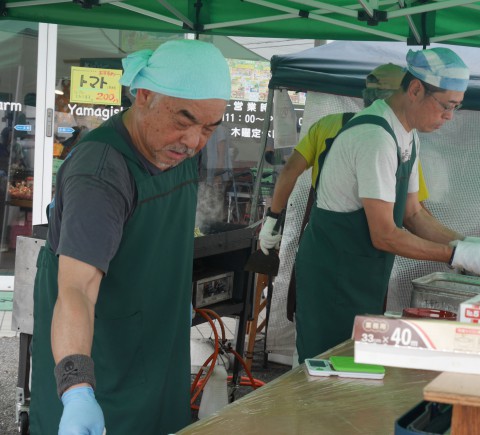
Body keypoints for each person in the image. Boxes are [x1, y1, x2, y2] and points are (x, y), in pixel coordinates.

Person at [29, 40, 231, 434]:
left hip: (158, 346)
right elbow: (77, 290)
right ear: (144, 95)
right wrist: (76, 390)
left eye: (208, 128)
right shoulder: (101, 173)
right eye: (183, 121)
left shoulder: (181, 151)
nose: (192, 142)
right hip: (104, 361)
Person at [291, 47, 480, 363]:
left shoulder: (407, 135)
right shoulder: (374, 137)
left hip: (362, 272)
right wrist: (457, 255)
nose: (449, 117)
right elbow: (384, 235)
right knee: (327, 369)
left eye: (456, 107)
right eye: (446, 106)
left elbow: (413, 214)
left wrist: (468, 243)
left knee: (353, 366)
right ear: (415, 90)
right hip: (333, 276)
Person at [258, 64, 430, 321]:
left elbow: (290, 171)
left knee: (316, 331)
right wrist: (454, 250)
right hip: (342, 244)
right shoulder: (386, 138)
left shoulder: (330, 125)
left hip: (349, 252)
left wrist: (273, 217)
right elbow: (414, 212)